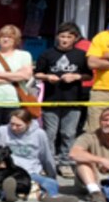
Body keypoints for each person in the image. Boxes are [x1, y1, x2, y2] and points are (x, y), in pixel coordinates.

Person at [34, 23, 89, 165]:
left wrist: (76, 77)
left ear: (75, 39)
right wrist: (47, 77)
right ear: (57, 37)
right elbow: (37, 74)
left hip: (73, 100)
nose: (65, 40)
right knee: (50, 133)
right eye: (62, 36)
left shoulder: (81, 55)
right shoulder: (47, 54)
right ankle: (49, 161)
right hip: (51, 100)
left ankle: (66, 161)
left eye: (69, 37)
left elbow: (88, 75)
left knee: (68, 133)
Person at [0, 25, 36, 142]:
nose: (5, 39)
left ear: (16, 40)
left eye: (9, 37)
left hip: (14, 101)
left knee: (12, 135)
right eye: (2, 36)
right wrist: (15, 76)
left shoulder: (24, 55)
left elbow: (26, 75)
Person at [0, 108, 61, 202]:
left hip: (30, 172)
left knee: (51, 183)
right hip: (8, 171)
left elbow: (46, 157)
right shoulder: (0, 132)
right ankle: (7, 195)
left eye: (18, 125)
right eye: (12, 124)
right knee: (7, 183)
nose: (14, 128)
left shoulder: (39, 134)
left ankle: (50, 197)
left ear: (28, 123)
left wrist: (52, 175)